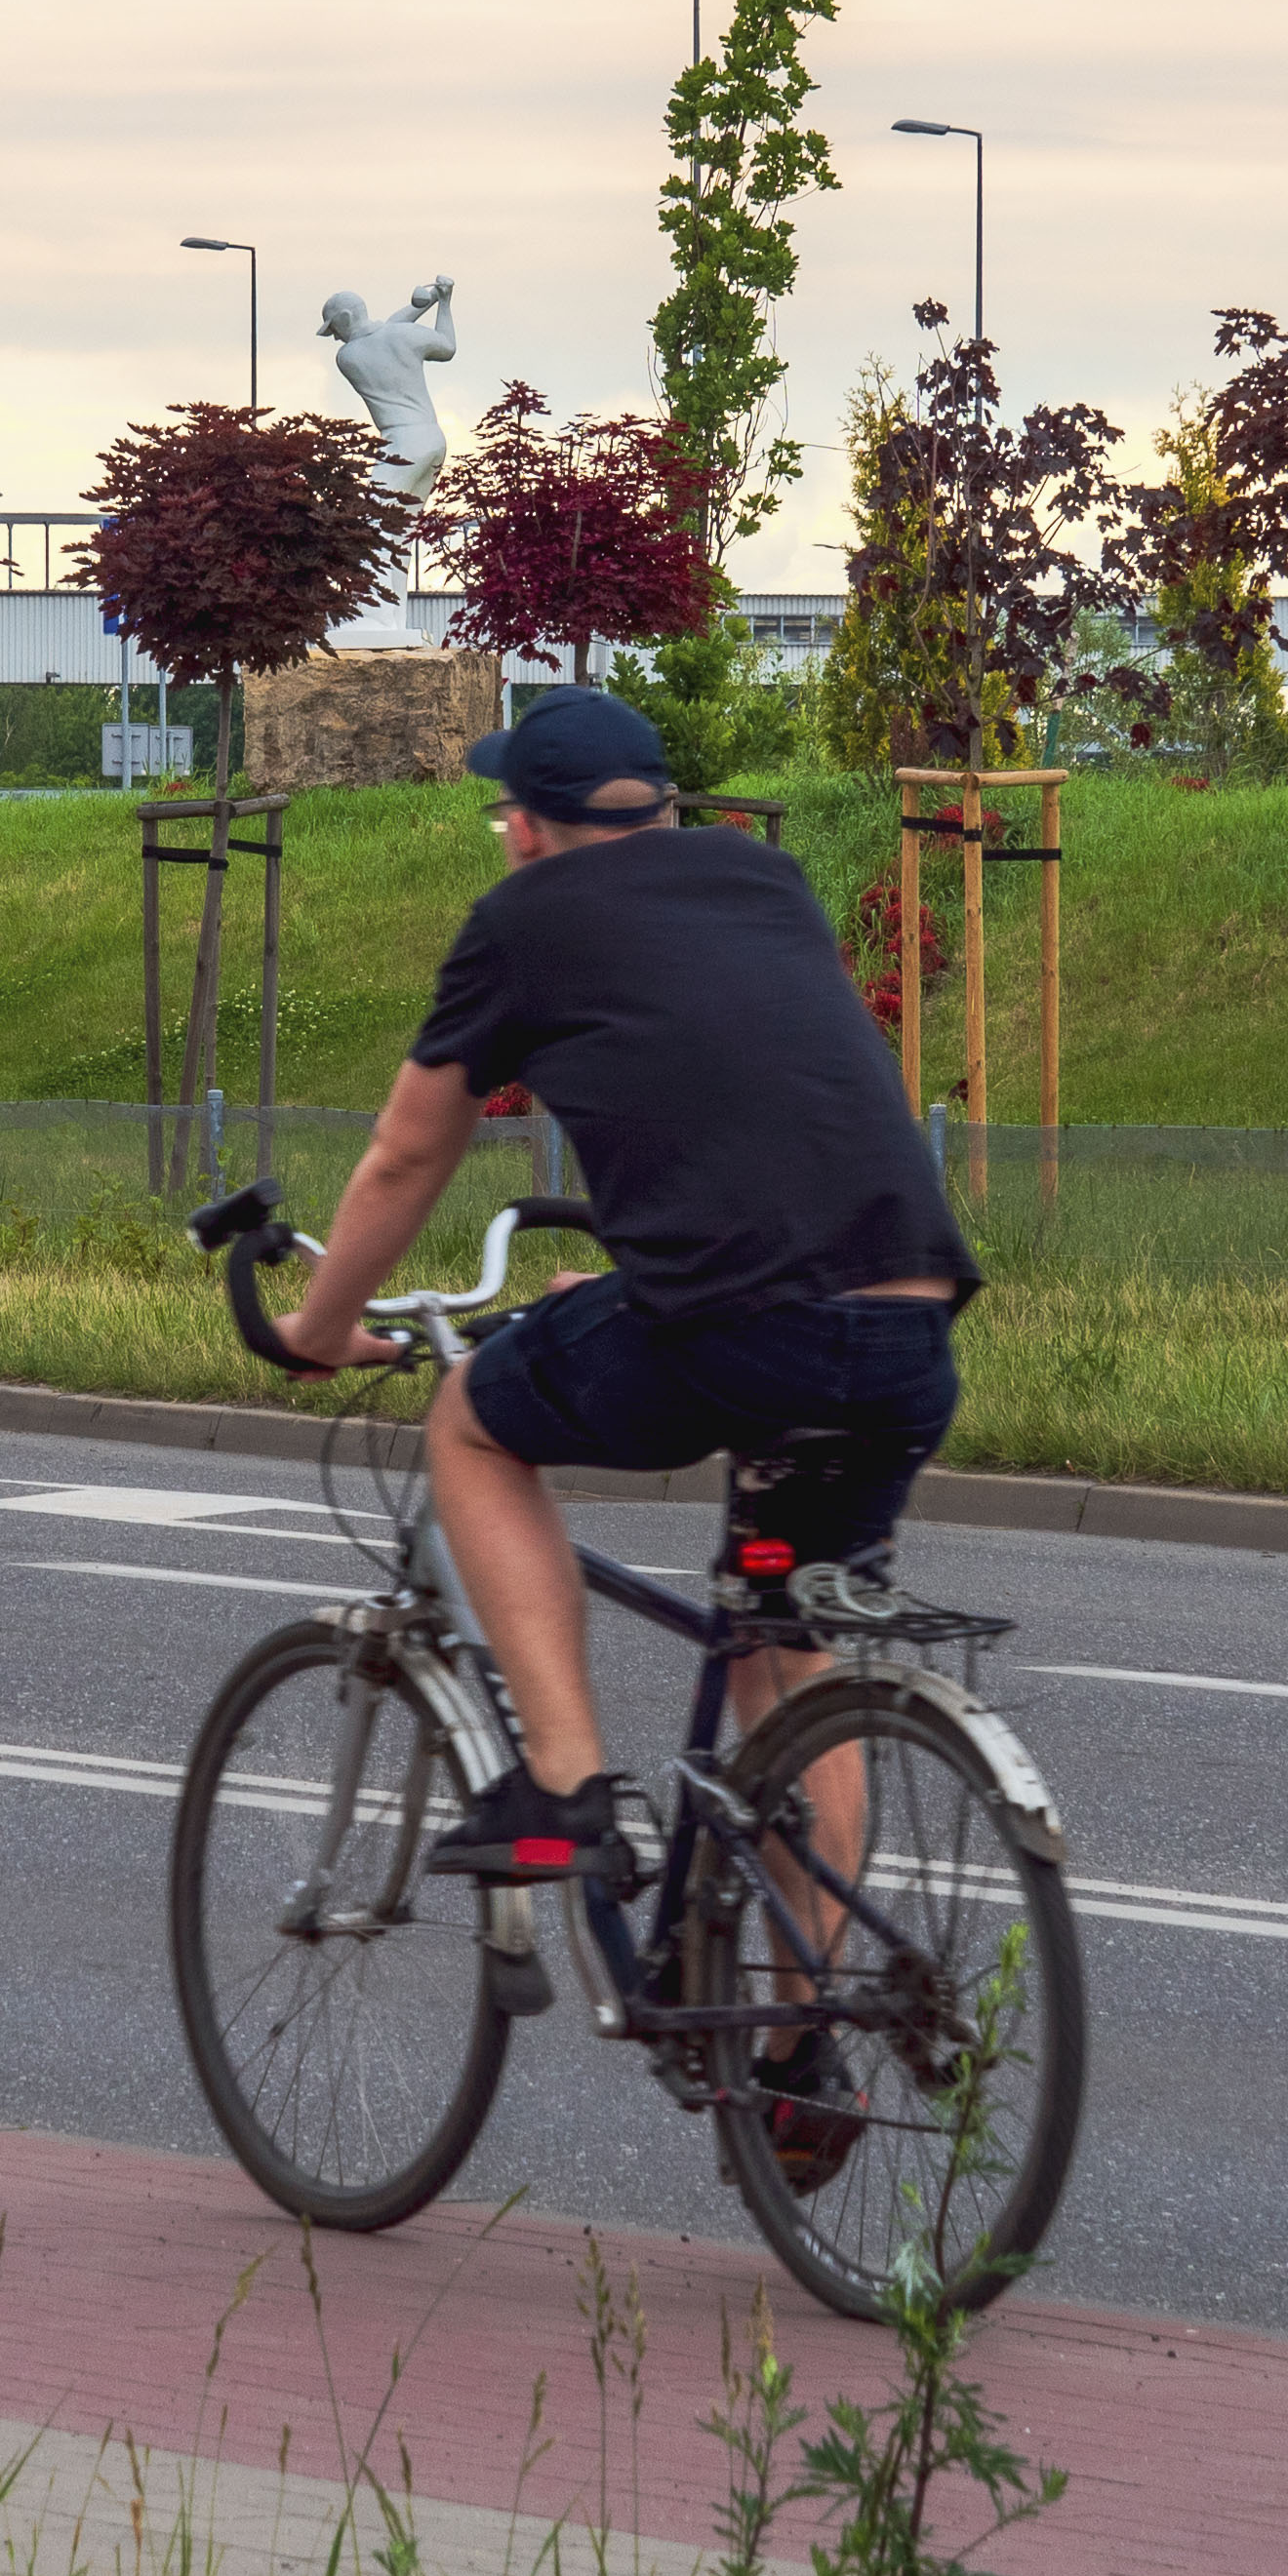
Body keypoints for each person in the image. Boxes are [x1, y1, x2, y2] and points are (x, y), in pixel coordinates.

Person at [268, 686, 976, 1885]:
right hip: (905, 1321)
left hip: (747, 1331)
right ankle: (803, 2055)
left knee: (474, 1424)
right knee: (786, 1657)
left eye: (507, 818)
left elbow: (408, 1151)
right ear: (656, 808)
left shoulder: (522, 918)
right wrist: (649, 1268)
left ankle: (562, 1784)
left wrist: (318, 1329)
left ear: (529, 827)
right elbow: (762, 1090)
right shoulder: (768, 881)